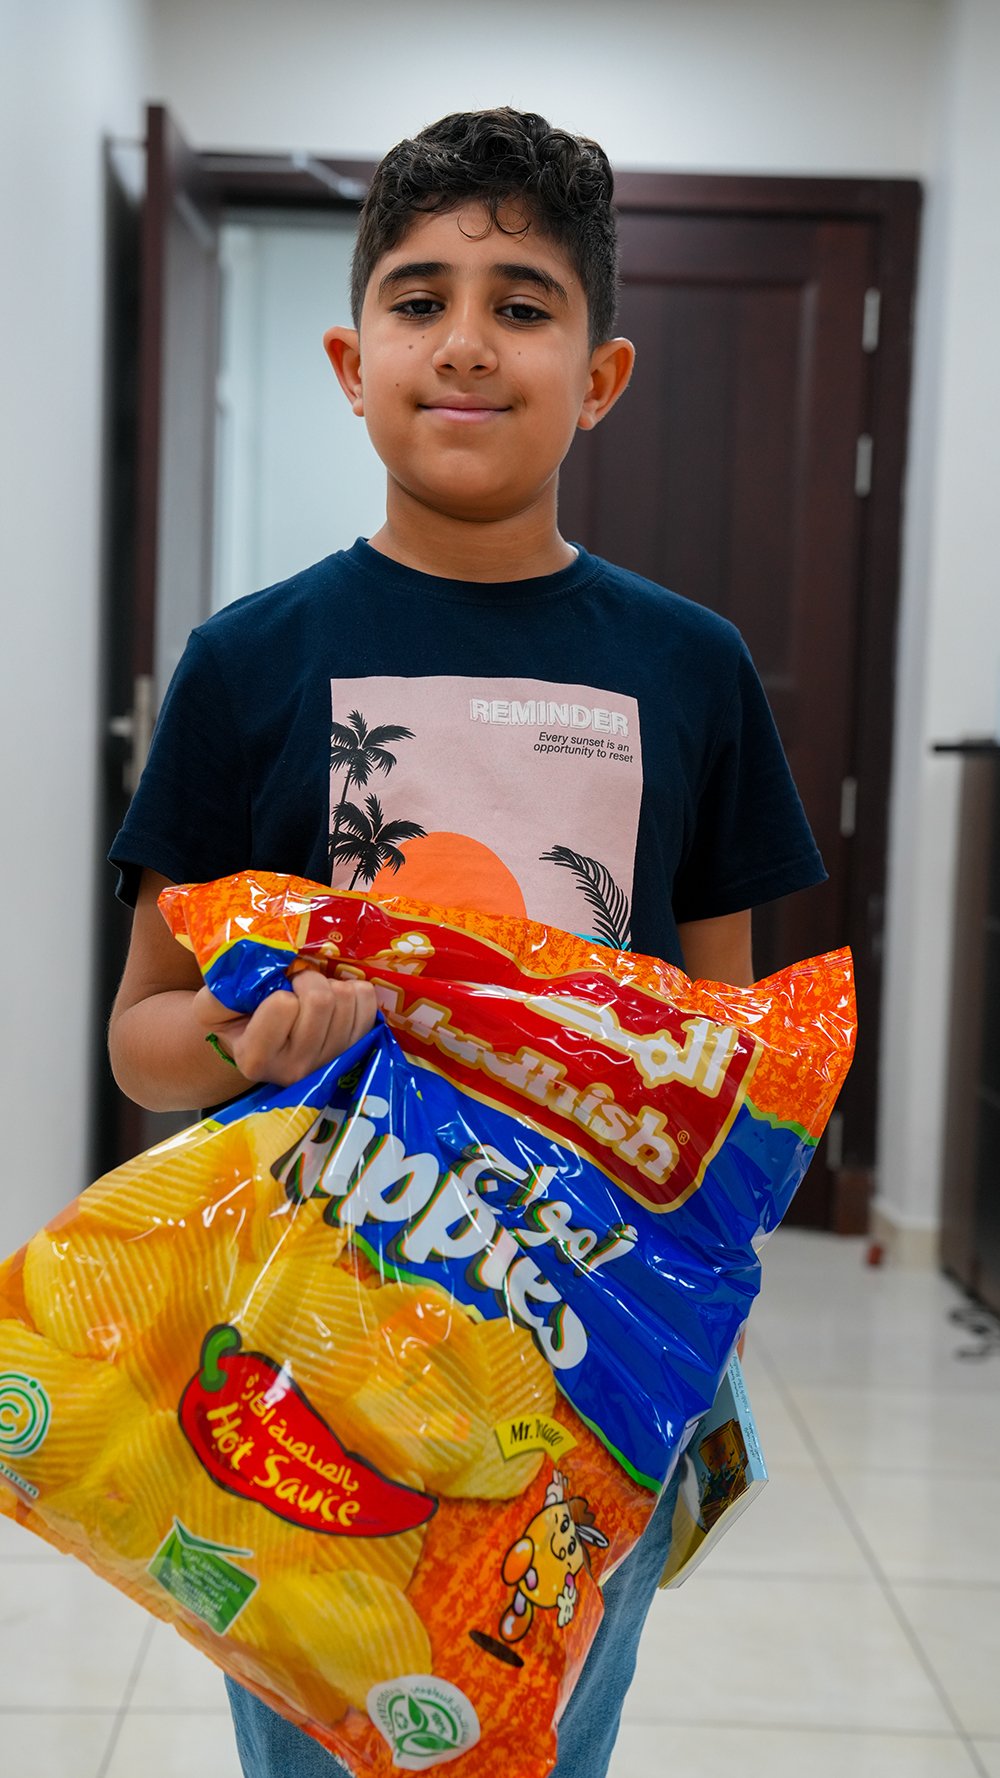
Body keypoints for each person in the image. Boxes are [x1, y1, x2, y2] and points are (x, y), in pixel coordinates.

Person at [108, 107, 825, 1778]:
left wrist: (694, 1301)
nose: (468, 343)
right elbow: (142, 1035)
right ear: (352, 362)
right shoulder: (247, 661)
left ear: (603, 375)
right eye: (420, 300)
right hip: (309, 1343)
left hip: (581, 1355)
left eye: (524, 305)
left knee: (548, 1733)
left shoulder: (694, 668)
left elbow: (732, 1057)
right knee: (317, 1740)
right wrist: (248, 1037)